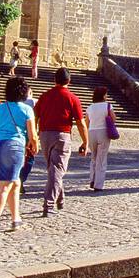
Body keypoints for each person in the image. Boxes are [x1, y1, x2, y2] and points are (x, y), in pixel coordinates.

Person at [0, 76, 39, 236]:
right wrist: (34, 146)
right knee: (3, 187)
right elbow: (33, 135)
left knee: (15, 182)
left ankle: (16, 218)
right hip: (14, 148)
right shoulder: (26, 110)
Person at [33, 67, 89, 214]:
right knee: (57, 170)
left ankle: (60, 199)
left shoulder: (44, 96)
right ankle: (49, 204)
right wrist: (85, 141)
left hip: (44, 135)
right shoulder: (72, 98)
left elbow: (35, 115)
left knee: (54, 169)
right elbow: (80, 123)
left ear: (54, 80)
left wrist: (35, 132)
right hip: (62, 136)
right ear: (69, 81)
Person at [85, 86, 115, 190]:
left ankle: (92, 179)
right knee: (101, 158)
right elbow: (113, 118)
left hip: (92, 132)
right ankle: (98, 184)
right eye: (106, 94)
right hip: (103, 132)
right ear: (103, 95)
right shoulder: (108, 106)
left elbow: (86, 122)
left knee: (93, 157)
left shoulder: (90, 107)